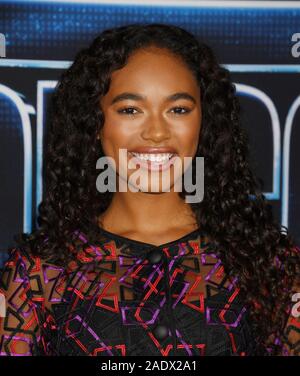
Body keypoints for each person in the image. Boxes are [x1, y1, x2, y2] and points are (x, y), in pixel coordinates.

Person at [0, 23, 299, 356]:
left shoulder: (269, 265)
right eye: (130, 110)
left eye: (178, 109)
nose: (157, 132)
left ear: (205, 122)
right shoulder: (40, 272)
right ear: (94, 123)